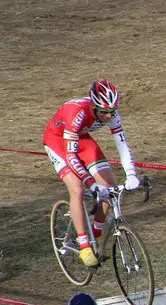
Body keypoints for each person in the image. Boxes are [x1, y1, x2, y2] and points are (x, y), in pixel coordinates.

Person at [43, 80, 142, 267]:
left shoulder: (111, 113)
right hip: (57, 139)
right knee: (77, 189)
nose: (108, 116)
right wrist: (91, 183)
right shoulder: (77, 113)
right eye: (103, 112)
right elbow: (71, 156)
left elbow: (122, 145)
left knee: (109, 188)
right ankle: (84, 245)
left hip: (81, 138)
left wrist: (131, 174)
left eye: (112, 112)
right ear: (93, 106)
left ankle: (96, 239)